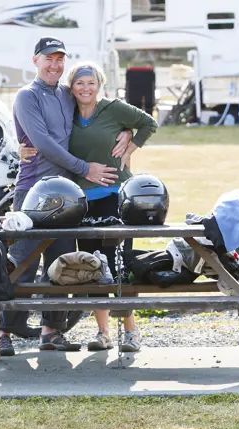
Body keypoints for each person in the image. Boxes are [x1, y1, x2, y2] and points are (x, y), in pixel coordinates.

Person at [0, 37, 133, 356]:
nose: (55, 64)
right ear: (35, 61)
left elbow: (97, 110)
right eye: (49, 59)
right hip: (32, 193)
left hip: (67, 197)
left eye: (60, 59)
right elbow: (42, 142)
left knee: (60, 264)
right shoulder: (26, 96)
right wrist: (85, 168)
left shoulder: (66, 94)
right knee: (22, 262)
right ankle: (3, 330)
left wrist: (129, 131)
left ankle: (51, 331)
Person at [20, 61, 159, 352]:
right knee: (92, 266)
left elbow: (149, 122)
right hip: (80, 202)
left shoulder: (113, 108)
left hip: (114, 197)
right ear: (72, 87)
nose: (85, 88)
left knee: (118, 263)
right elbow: (44, 137)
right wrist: (21, 148)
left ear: (100, 86)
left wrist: (130, 141)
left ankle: (130, 331)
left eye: (91, 83)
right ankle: (103, 333)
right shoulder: (66, 112)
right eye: (80, 83)